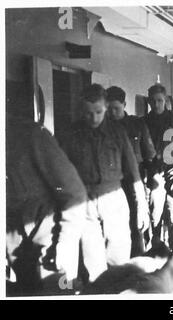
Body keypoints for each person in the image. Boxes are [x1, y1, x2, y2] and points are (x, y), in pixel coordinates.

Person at [60, 84, 149, 268]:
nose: (94, 118)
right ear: (81, 110)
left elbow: (134, 174)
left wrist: (142, 207)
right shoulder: (71, 134)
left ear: (106, 108)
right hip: (85, 201)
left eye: (99, 112)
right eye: (88, 113)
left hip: (114, 199)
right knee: (92, 260)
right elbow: (61, 173)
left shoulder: (118, 133)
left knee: (119, 258)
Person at [6, 115, 89, 295]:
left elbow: (75, 194)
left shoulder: (33, 136)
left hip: (50, 239)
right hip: (14, 240)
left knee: (58, 291)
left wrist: (65, 244)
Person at [106, 86, 156, 256]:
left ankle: (137, 259)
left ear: (125, 105)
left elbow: (149, 155)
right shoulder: (103, 126)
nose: (112, 112)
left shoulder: (137, 124)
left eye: (116, 108)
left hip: (134, 180)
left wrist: (151, 180)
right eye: (109, 108)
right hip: (112, 182)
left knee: (137, 222)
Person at [144, 83, 173, 246]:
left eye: (159, 101)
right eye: (153, 101)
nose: (156, 105)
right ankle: (155, 247)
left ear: (166, 101)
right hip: (153, 173)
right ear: (148, 102)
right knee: (154, 213)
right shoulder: (144, 122)